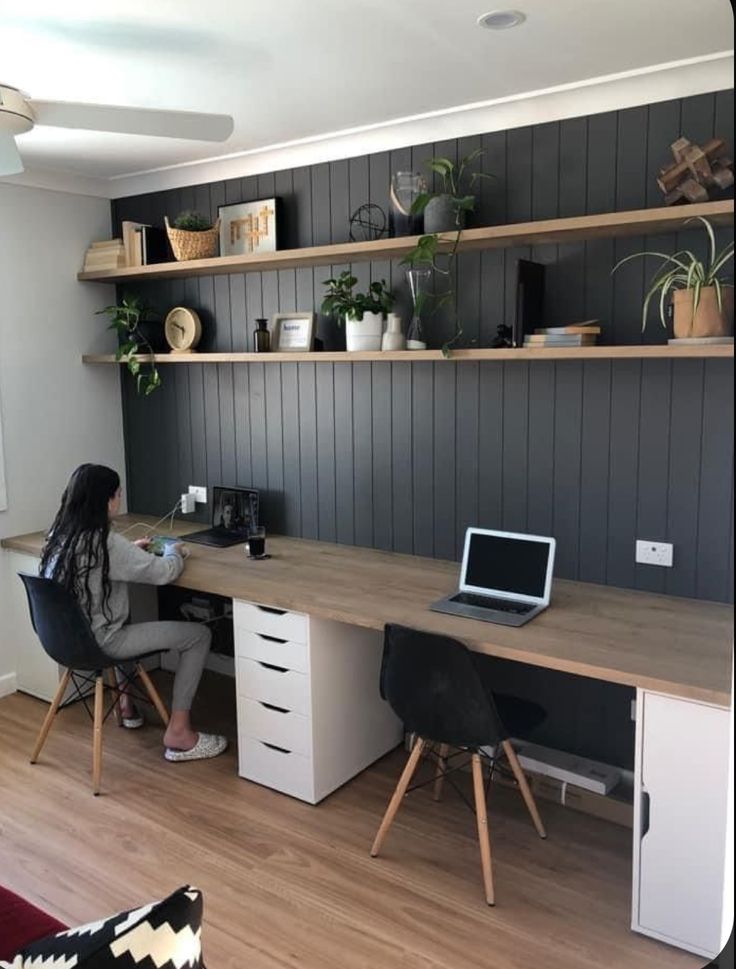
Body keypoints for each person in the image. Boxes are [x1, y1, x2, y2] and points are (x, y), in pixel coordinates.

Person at [40, 464, 227, 762]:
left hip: (62, 643)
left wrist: (129, 550)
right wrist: (173, 551)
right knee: (199, 635)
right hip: (103, 642)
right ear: (106, 500)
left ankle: (126, 706)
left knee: (123, 611)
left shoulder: (58, 536)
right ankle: (179, 732)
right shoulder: (106, 543)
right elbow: (165, 573)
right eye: (117, 494)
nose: (119, 500)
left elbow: (103, 563)